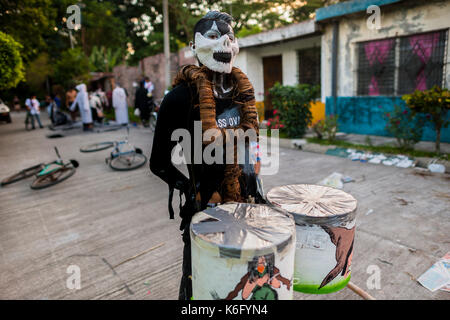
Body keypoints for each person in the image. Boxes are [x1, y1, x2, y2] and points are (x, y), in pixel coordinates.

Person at [149, 11, 263, 300]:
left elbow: (250, 144)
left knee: (243, 285)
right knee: (201, 285)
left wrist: (257, 188)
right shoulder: (179, 98)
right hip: (205, 215)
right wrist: (191, 190)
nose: (224, 42)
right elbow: (159, 163)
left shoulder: (242, 94)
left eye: (230, 37)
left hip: (245, 208)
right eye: (213, 36)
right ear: (194, 45)